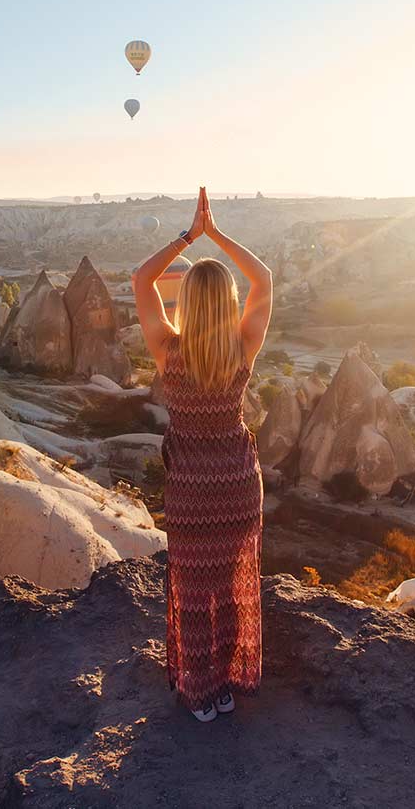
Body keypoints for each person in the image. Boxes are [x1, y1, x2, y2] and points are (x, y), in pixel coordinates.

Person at [132, 187, 272, 723]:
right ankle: (231, 681)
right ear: (229, 303)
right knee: (234, 586)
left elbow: (142, 280)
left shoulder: (169, 352)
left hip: (190, 485)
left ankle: (200, 691)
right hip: (237, 482)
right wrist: (219, 236)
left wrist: (189, 235)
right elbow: (264, 280)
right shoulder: (243, 347)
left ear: (186, 302)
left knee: (192, 590)